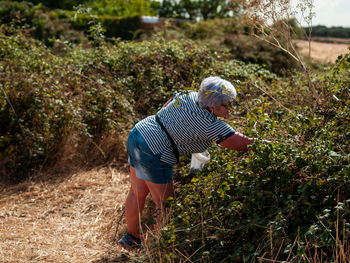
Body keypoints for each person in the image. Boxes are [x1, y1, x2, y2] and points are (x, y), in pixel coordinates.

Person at [118, 76, 254, 251]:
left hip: (140, 132)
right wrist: (270, 145)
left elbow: (166, 105)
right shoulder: (211, 125)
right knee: (165, 203)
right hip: (155, 150)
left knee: (137, 194)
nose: (231, 108)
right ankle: (155, 250)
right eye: (228, 104)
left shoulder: (188, 95)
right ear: (213, 106)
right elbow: (241, 143)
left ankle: (131, 238)